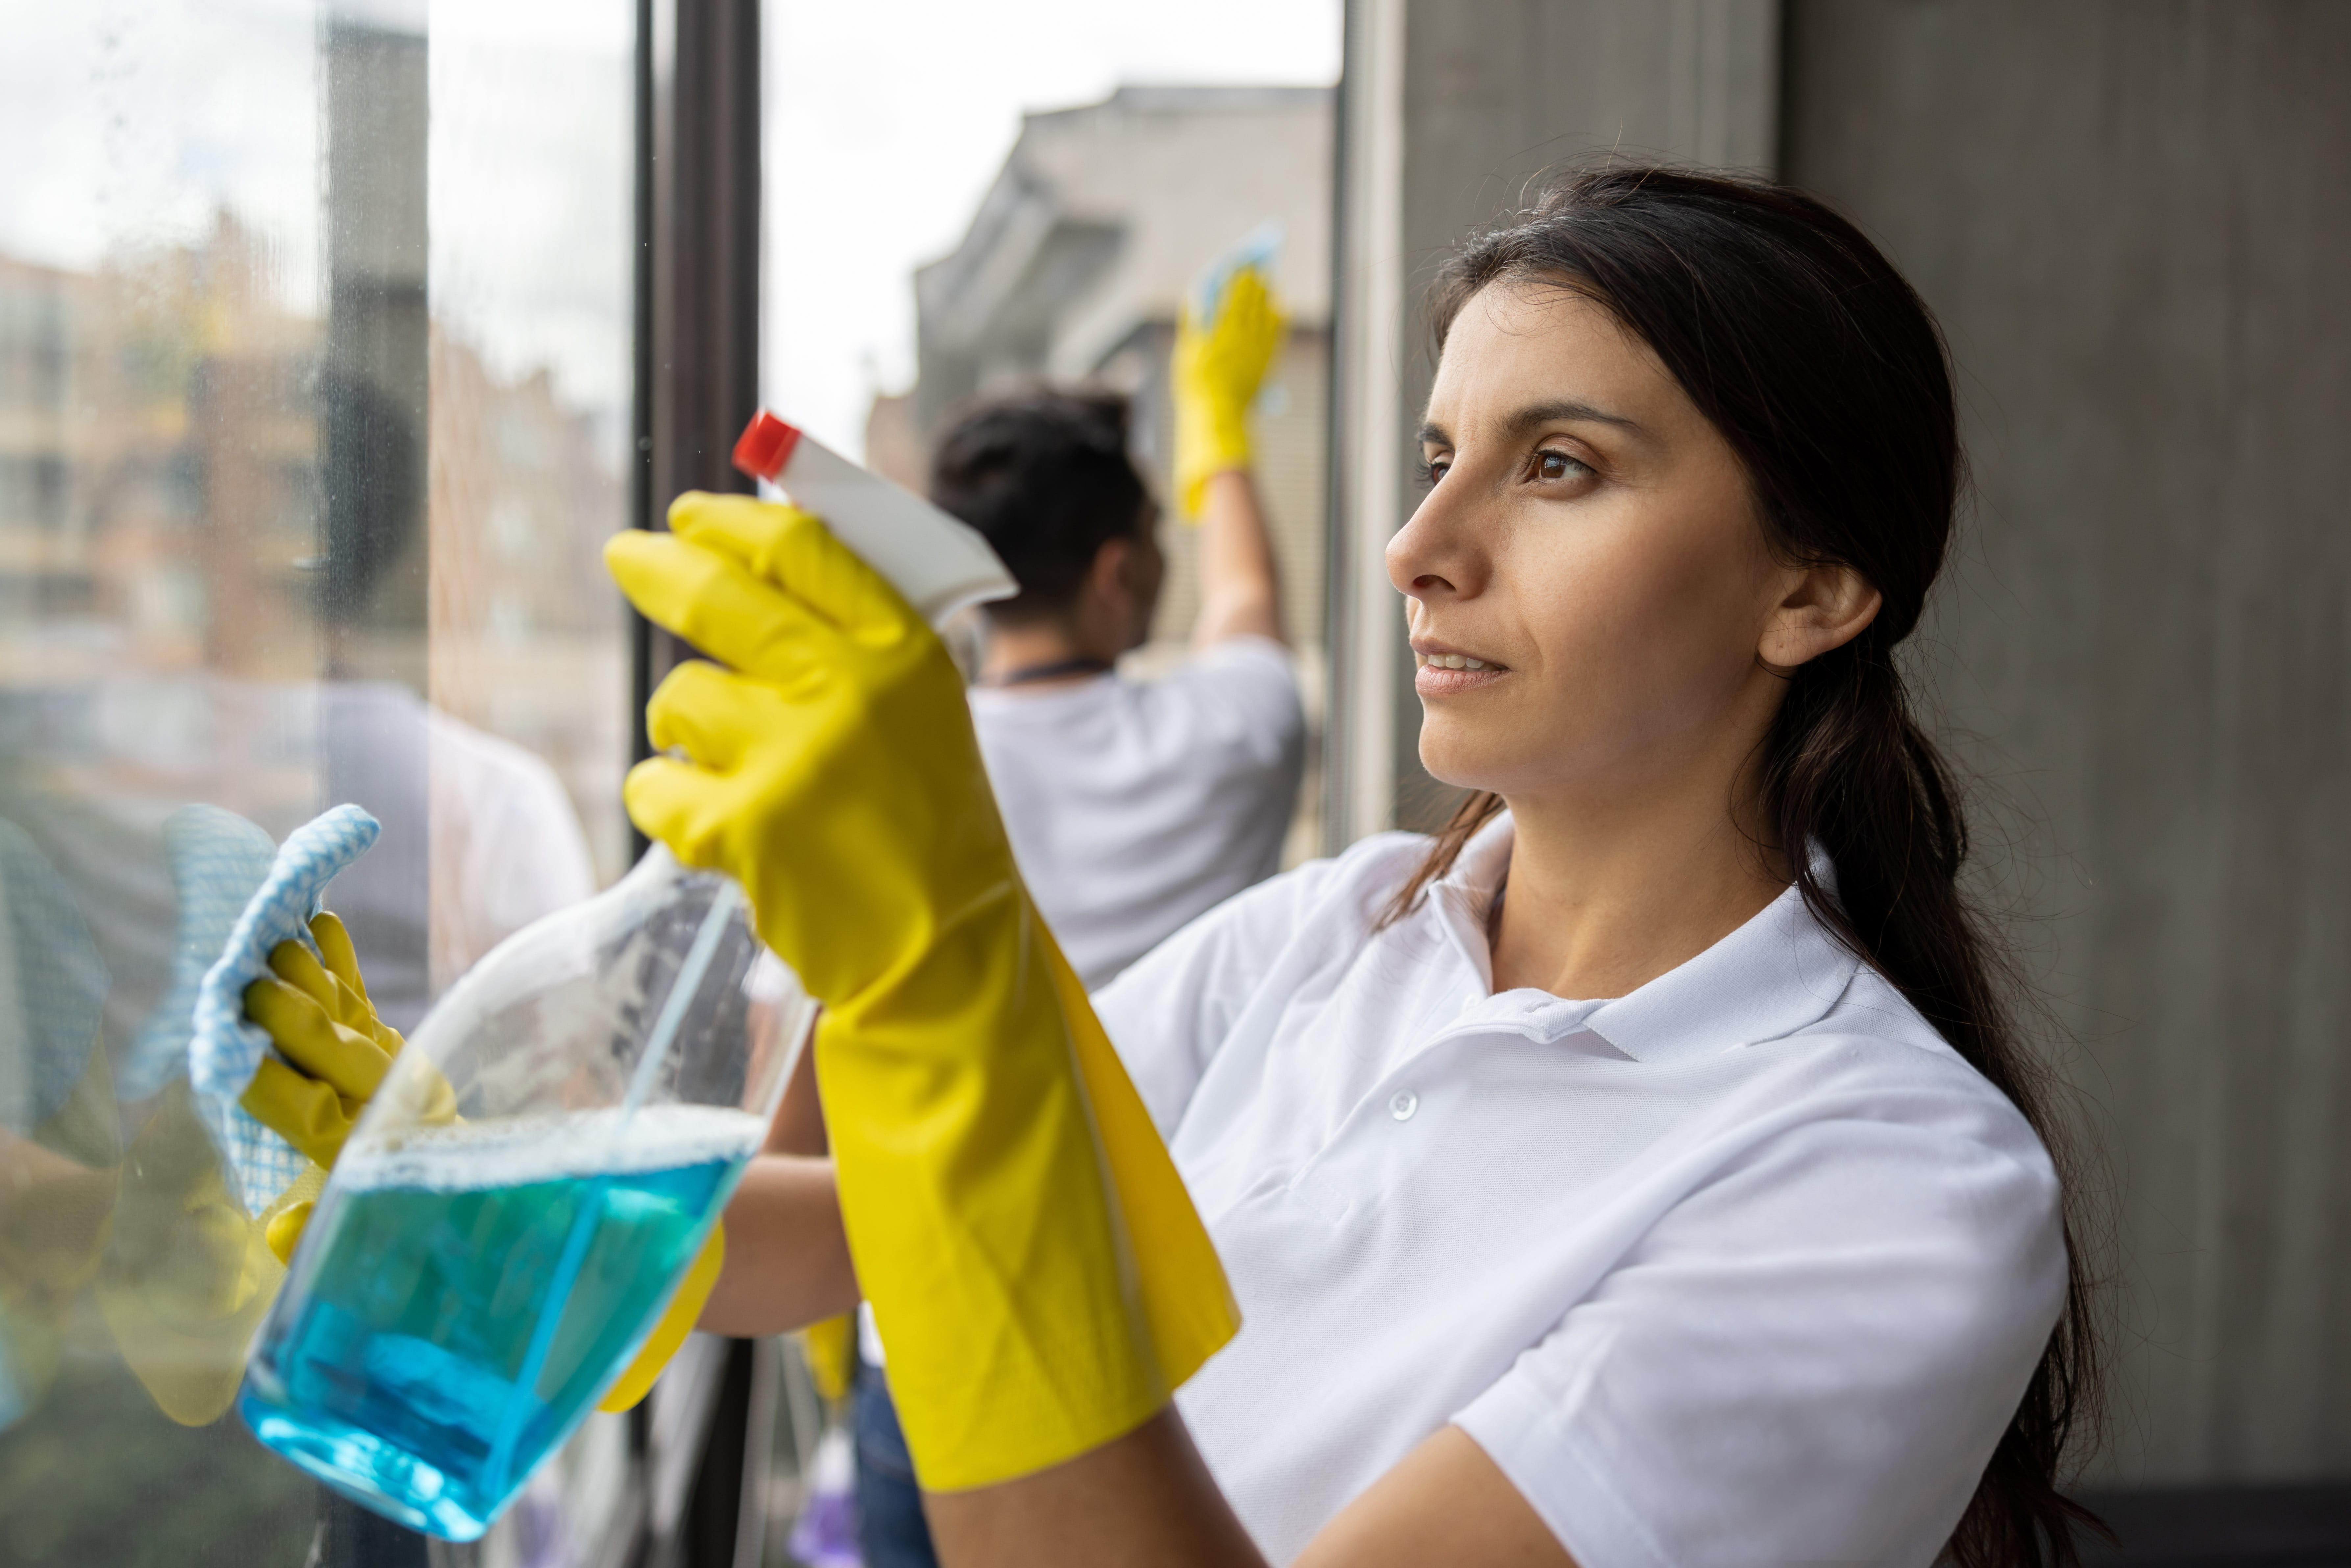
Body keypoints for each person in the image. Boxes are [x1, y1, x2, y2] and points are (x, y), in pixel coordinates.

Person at [259, 168, 2098, 1567]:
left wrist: (953, 991)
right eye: (1440, 453)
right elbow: (857, 1232)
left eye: (1559, 467)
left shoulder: (1898, 1191)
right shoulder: (1334, 932)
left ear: (1815, 586)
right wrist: (455, 1175)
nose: (1416, 544)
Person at [850, 290, 1305, 1565]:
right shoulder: (1230, 739)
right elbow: (1251, 602)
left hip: (926, 1314)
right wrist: (1219, 434)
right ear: (1121, 569)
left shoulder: (888, 777)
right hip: (1168, 1328)